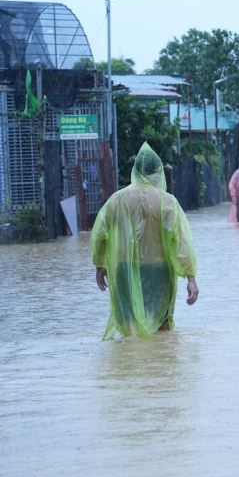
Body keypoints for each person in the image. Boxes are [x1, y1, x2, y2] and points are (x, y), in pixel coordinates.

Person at [91, 143, 199, 340]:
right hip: (159, 270)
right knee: (162, 326)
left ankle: (131, 366)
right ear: (158, 173)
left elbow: (100, 235)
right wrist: (190, 278)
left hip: (125, 269)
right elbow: (181, 242)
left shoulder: (117, 200)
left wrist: (100, 265)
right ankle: (159, 365)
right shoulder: (167, 202)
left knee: (129, 327)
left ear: (136, 171)